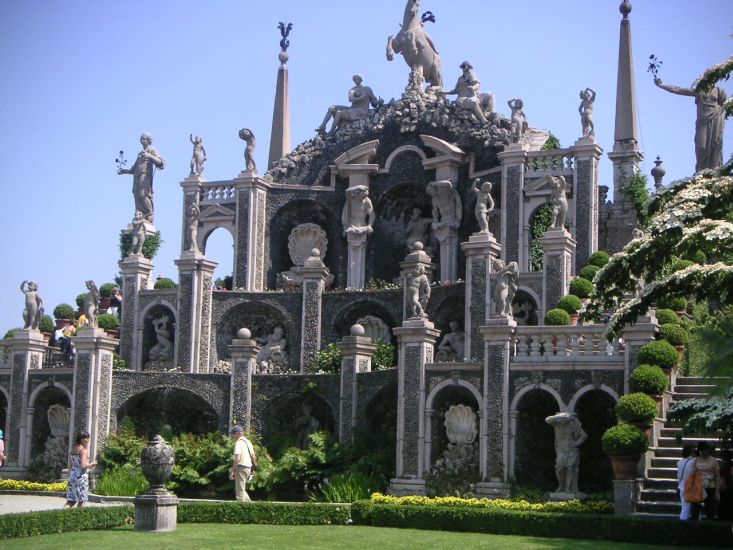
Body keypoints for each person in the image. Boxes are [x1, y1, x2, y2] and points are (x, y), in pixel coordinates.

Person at [654, 77, 726, 172]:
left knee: (715, 145)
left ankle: (715, 170)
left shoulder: (719, 90)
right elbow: (678, 89)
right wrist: (661, 85)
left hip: (716, 120)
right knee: (701, 146)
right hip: (703, 121)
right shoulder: (699, 90)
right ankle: (701, 171)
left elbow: (724, 106)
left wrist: (721, 120)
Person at [117, 133, 165, 223]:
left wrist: (150, 156)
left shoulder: (152, 150)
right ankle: (140, 214)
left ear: (148, 140)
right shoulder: (140, 154)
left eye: (143, 139)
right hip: (137, 176)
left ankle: (149, 213)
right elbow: (133, 168)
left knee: (143, 194)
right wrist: (124, 171)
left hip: (145, 175)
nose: (142, 141)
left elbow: (161, 162)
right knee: (136, 195)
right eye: (141, 139)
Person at [317, 74, 383, 135]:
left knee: (339, 113)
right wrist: (360, 97)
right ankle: (322, 126)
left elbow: (374, 103)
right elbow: (350, 99)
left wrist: (380, 101)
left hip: (361, 111)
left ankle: (331, 131)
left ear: (361, 79)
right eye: (354, 79)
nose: (355, 80)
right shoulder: (352, 90)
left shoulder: (367, 89)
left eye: (356, 78)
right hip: (352, 109)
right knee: (332, 108)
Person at [64, 431, 97, 508]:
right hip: (81, 477)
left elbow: (69, 465)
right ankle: (78, 518)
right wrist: (92, 464)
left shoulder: (73, 449)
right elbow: (83, 465)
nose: (88, 440)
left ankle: (60, 516)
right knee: (82, 500)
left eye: (88, 438)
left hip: (72, 476)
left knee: (71, 501)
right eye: (86, 438)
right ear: (81, 439)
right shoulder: (83, 451)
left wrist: (71, 475)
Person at [691, 441, 720, 520]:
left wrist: (717, 490)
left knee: (710, 508)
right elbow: (692, 473)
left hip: (710, 486)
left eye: (705, 451)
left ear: (708, 450)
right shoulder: (696, 460)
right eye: (701, 451)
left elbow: (717, 476)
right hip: (699, 487)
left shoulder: (714, 460)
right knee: (695, 508)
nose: (703, 453)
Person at [229, 425, 257, 502]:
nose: (233, 436)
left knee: (239, 492)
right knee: (241, 489)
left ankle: (241, 511)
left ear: (238, 434)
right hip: (249, 469)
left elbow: (237, 459)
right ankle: (250, 506)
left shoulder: (238, 443)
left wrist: (232, 472)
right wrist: (253, 470)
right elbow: (254, 457)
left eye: (233, 434)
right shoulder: (249, 442)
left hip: (241, 468)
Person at [677, 443, 696, 520]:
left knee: (684, 507)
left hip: (682, 486)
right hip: (691, 487)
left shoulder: (679, 462)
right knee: (687, 509)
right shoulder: (693, 462)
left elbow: (678, 476)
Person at [718, 449, 733, 520]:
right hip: (730, 487)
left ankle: (721, 518)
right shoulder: (731, 464)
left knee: (722, 503)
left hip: (722, 487)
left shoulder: (721, 465)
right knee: (729, 504)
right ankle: (729, 518)